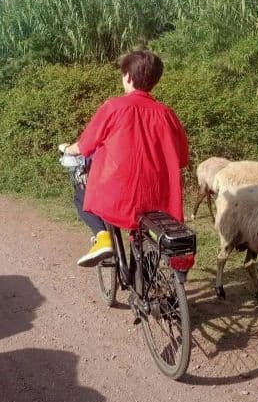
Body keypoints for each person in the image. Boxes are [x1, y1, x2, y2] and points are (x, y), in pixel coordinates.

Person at [59, 49, 189, 267]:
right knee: (146, 224)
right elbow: (182, 158)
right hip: (159, 194)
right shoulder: (167, 113)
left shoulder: (113, 107)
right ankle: (149, 275)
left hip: (119, 194)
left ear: (128, 76)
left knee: (81, 196)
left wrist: (67, 149)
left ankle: (102, 238)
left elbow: (85, 146)